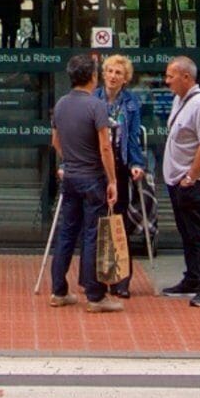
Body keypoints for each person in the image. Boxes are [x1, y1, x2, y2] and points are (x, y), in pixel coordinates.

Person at [42, 52, 124, 311]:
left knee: (67, 231)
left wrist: (69, 160)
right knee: (92, 235)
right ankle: (95, 296)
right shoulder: (95, 105)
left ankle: (58, 290)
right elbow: (106, 147)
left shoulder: (61, 104)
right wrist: (112, 179)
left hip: (72, 176)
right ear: (92, 77)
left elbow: (55, 141)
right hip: (92, 177)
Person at [158, 55, 200, 306]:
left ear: (186, 77)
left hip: (192, 180)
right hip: (177, 179)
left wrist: (192, 176)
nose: (167, 81)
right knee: (187, 231)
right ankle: (192, 277)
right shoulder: (179, 100)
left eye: (170, 76)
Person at [99, 54, 152, 299]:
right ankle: (96, 278)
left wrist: (136, 163)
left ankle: (121, 281)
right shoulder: (93, 99)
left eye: (118, 73)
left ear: (126, 79)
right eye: (109, 71)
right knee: (97, 222)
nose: (113, 76)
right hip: (96, 167)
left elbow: (132, 139)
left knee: (117, 223)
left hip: (118, 167)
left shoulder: (131, 103)